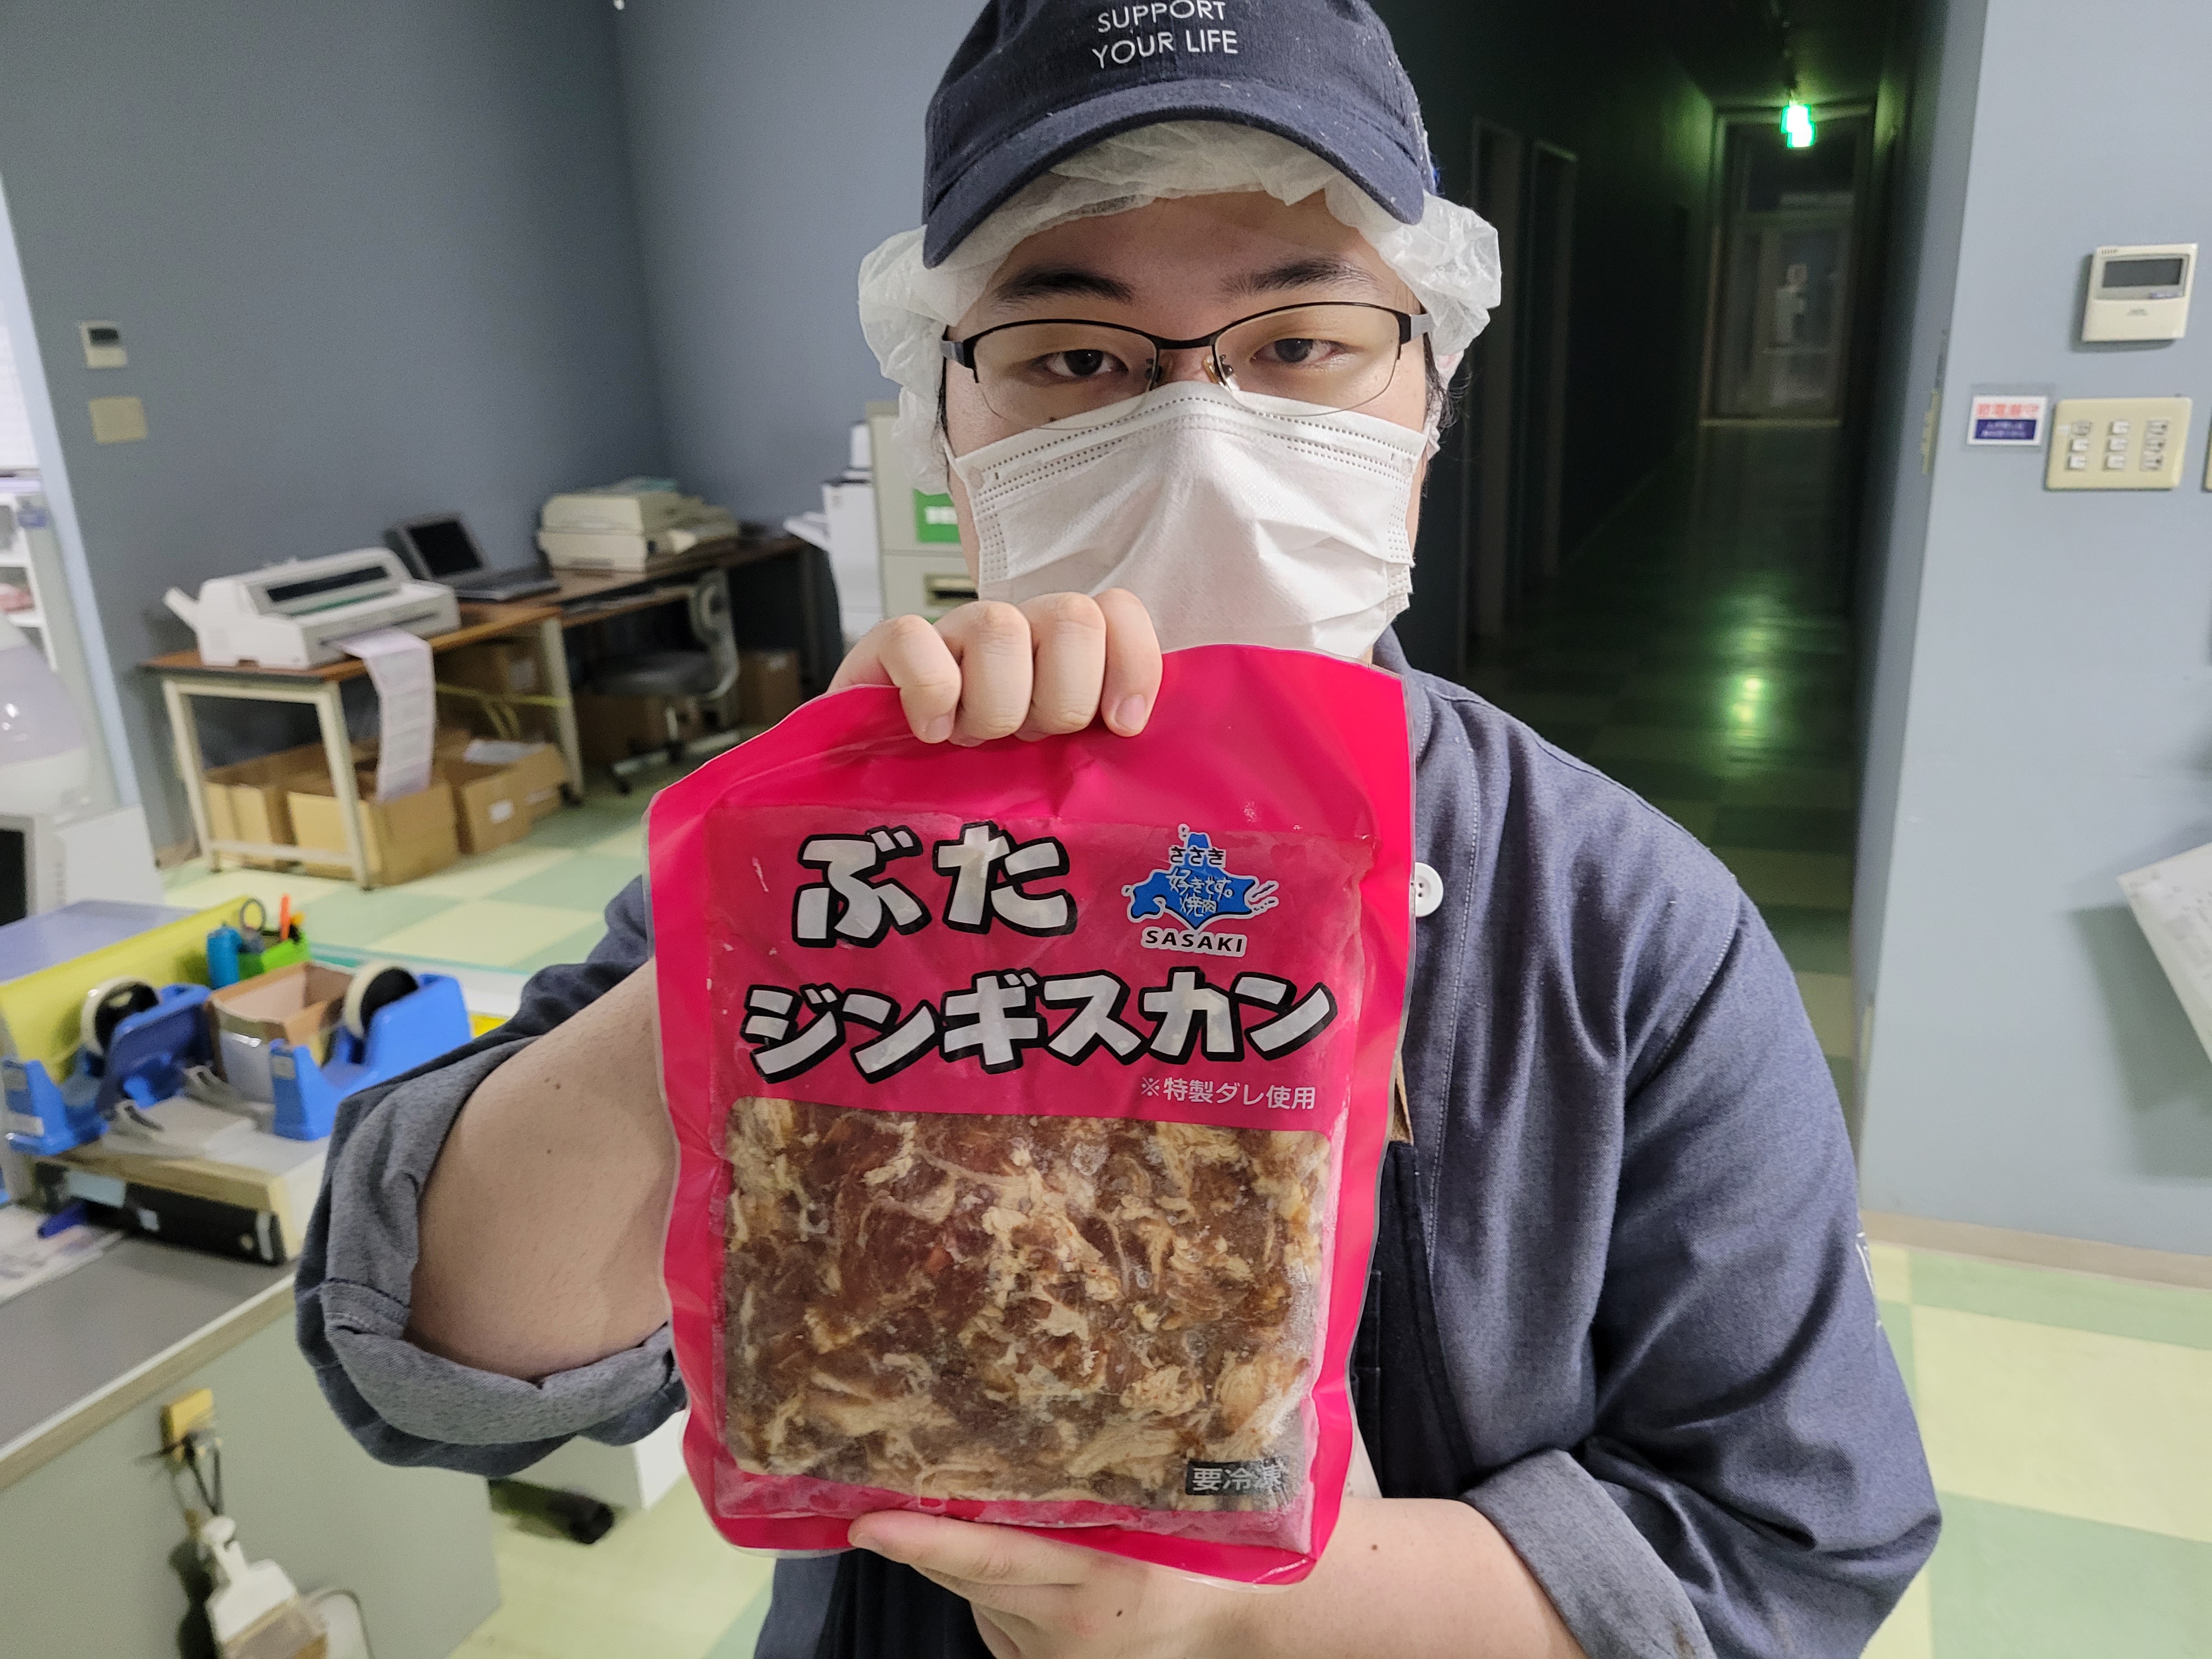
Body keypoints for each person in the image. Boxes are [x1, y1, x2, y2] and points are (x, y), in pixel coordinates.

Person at [297, 4, 1939, 1656]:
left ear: (1430, 386)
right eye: (1075, 357)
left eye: (1301, 341)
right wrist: (813, 911)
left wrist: (1252, 1615)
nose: (1198, 434)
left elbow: (1792, 1543)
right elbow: (436, 1365)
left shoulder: (1621, 922)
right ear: (949, 425)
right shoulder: (810, 842)